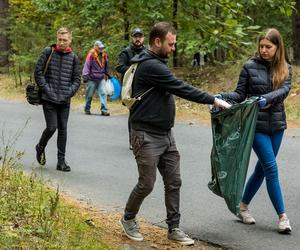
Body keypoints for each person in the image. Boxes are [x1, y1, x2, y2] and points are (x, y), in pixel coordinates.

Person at [119, 22, 231, 245]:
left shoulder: (156, 62)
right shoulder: (151, 65)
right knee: (146, 183)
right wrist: (214, 100)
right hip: (146, 134)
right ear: (157, 41)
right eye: (170, 44)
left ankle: (174, 227)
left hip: (165, 135)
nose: (173, 49)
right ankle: (128, 219)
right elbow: (181, 87)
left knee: (174, 181)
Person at [220, 28, 292, 234]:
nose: (264, 50)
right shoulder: (249, 67)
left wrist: (266, 99)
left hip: (277, 125)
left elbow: (283, 91)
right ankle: (283, 217)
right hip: (255, 126)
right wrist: (220, 97)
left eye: (268, 47)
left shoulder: (286, 67)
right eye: (261, 46)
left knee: (262, 169)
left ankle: (242, 206)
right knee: (271, 167)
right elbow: (239, 94)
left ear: (278, 48)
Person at [34, 27, 81, 172]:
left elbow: (77, 79)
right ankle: (40, 146)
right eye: (59, 39)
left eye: (64, 40)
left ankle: (61, 161)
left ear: (70, 40)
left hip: (64, 100)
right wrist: (47, 90)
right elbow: (38, 72)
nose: (61, 42)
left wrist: (69, 92)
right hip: (49, 98)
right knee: (52, 127)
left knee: (63, 129)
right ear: (56, 39)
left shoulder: (73, 57)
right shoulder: (48, 52)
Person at [116, 28, 146, 149]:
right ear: (132, 38)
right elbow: (119, 67)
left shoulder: (147, 51)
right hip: (130, 88)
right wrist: (133, 71)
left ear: (143, 38)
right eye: (135, 36)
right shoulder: (126, 52)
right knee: (133, 113)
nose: (137, 39)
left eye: (140, 36)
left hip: (144, 87)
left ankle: (144, 140)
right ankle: (132, 140)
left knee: (145, 113)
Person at [82, 40, 110, 116]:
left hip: (101, 78)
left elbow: (106, 66)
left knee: (103, 93)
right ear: (95, 47)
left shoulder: (104, 55)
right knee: (89, 95)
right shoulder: (91, 55)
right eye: (99, 47)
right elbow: (87, 65)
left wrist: (108, 74)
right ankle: (87, 109)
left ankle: (104, 110)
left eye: (102, 47)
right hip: (92, 79)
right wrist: (85, 76)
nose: (101, 49)